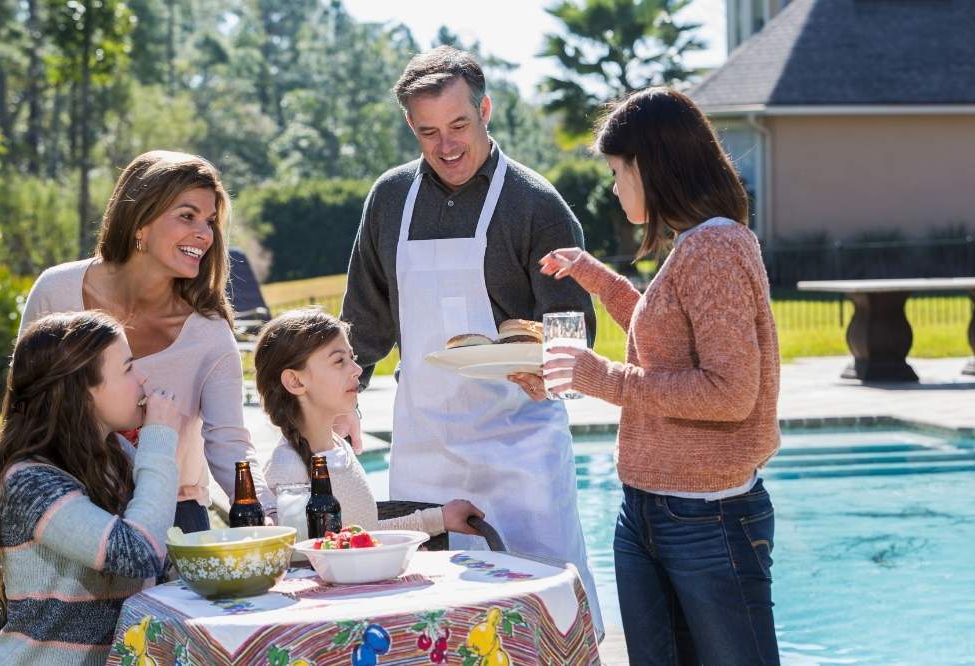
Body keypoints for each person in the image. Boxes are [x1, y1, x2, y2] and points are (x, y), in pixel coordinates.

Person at [341, 46, 603, 637]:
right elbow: (364, 321)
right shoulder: (389, 199)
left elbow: (571, 326)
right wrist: (341, 397)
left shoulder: (535, 204)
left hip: (521, 449)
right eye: (428, 132)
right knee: (429, 621)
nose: (447, 145)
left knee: (543, 613)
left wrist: (551, 368)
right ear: (411, 127)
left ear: (486, 110)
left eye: (459, 125)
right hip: (424, 446)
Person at [530, 87, 781, 665]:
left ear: (652, 165)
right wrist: (598, 279)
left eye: (619, 170)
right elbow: (667, 339)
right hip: (648, 508)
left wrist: (605, 379)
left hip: (707, 515)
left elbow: (729, 392)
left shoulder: (714, 247)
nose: (614, 185)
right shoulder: (695, 245)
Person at [19, 150, 274, 533]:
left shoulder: (208, 332)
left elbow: (230, 442)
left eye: (209, 221)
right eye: (187, 216)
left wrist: (270, 515)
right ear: (140, 222)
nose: (204, 234)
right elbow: (24, 407)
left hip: (176, 516)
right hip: (69, 513)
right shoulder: (58, 292)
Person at [0, 311, 181, 665]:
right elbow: (139, 553)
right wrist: (160, 440)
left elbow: (159, 565)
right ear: (82, 391)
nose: (143, 377)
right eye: (129, 368)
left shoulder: (115, 457)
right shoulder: (30, 482)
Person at [255, 308, 485, 537]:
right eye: (339, 361)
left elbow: (363, 534)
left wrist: (440, 519)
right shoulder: (288, 470)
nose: (356, 370)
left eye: (352, 358)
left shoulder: (339, 449)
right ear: (295, 381)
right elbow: (311, 557)